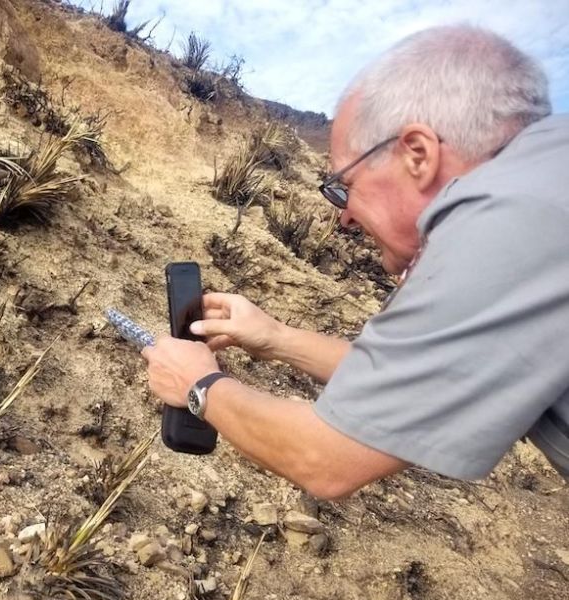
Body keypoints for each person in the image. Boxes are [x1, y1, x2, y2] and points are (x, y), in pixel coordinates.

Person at [141, 25, 569, 499]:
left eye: (346, 186)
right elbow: (407, 380)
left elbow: (326, 457)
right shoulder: (540, 185)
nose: (343, 215)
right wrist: (276, 338)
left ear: (418, 155)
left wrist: (198, 385)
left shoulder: (504, 223)